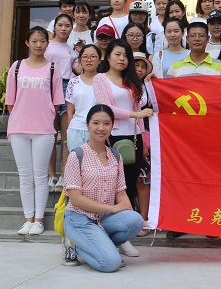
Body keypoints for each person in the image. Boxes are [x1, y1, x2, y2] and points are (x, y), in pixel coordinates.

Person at [62, 104, 145, 272]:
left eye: (106, 123)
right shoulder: (76, 155)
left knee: (136, 220)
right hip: (80, 219)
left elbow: (121, 192)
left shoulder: (115, 156)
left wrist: (128, 210)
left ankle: (104, 245)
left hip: (104, 218)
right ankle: (74, 244)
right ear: (88, 125)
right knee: (110, 263)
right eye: (96, 123)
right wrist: (112, 208)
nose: (101, 128)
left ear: (112, 126)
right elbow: (76, 199)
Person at [92, 39, 154, 258]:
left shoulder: (131, 81)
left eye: (125, 55)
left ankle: (123, 237)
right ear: (108, 56)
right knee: (110, 188)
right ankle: (105, 233)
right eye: (117, 54)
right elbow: (106, 108)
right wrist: (136, 115)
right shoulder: (100, 79)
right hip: (111, 138)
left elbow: (139, 111)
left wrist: (144, 139)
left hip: (134, 139)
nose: (122, 59)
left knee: (128, 188)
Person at [165, 22, 221, 239]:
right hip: (182, 134)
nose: (197, 39)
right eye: (193, 35)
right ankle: (181, 222)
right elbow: (167, 100)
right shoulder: (175, 68)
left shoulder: (220, 68)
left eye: (201, 35)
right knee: (182, 178)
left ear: (208, 39)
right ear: (187, 39)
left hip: (210, 132)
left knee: (209, 178)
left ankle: (211, 221)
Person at [5, 26, 64, 236]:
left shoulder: (52, 68)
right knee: (25, 175)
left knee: (40, 176)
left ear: (47, 44)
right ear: (27, 43)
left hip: (44, 129)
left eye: (42, 41)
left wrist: (48, 121)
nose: (38, 45)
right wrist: (18, 119)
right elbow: (10, 100)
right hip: (19, 128)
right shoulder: (17, 67)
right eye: (34, 41)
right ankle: (27, 219)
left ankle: (38, 220)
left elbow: (56, 102)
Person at [44, 14, 79, 192]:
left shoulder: (72, 50)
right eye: (60, 25)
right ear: (54, 27)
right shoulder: (45, 46)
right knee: (50, 134)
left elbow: (78, 70)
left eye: (67, 25)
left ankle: (64, 174)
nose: (63, 28)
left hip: (67, 86)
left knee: (66, 136)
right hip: (48, 87)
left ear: (71, 29)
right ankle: (51, 175)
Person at [131, 51, 155, 236]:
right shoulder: (119, 84)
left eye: (142, 66)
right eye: (136, 65)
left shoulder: (149, 87)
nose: (139, 69)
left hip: (145, 136)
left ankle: (144, 220)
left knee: (143, 179)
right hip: (122, 134)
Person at [65, 44, 101, 152]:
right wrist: (69, 131)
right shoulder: (73, 82)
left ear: (99, 60)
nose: (89, 60)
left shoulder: (104, 81)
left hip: (98, 130)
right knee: (77, 160)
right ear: (80, 60)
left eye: (93, 56)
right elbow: (70, 111)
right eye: (85, 57)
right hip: (76, 129)